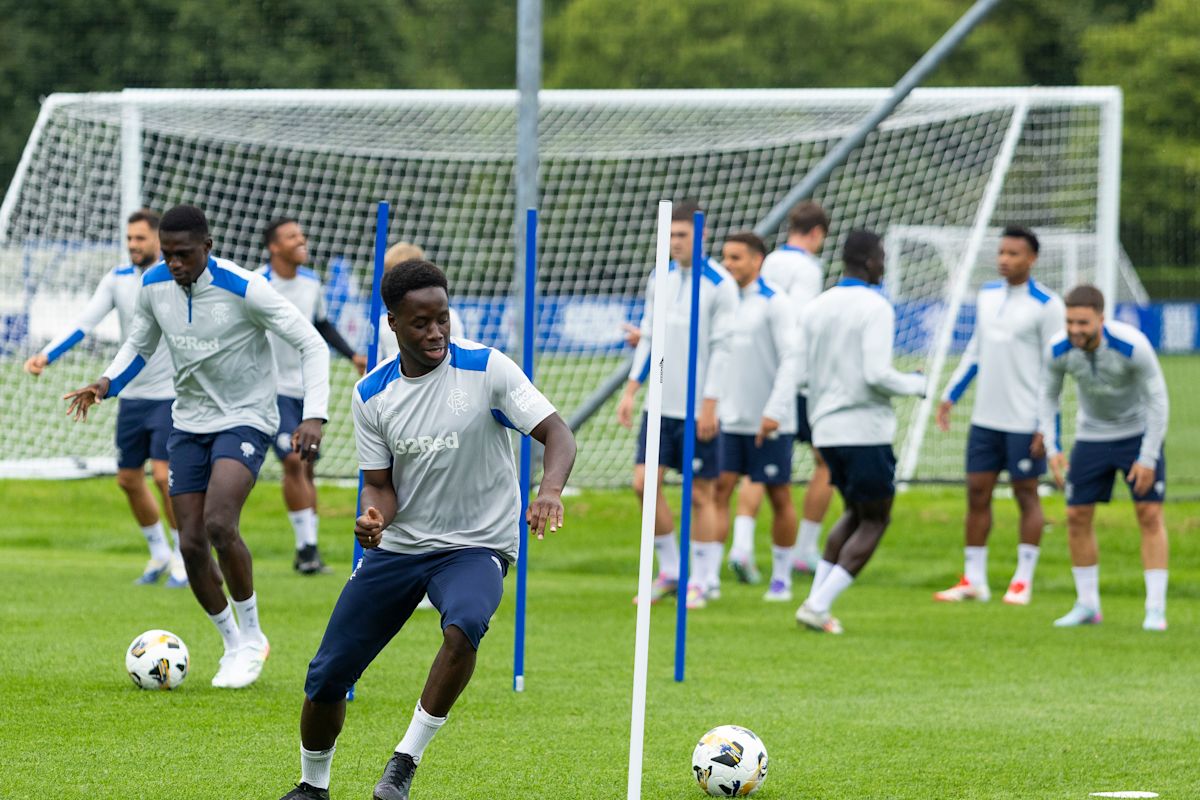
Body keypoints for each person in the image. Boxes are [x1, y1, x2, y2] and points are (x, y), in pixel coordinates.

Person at [278, 260, 576, 800]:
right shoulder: (372, 394)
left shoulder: (488, 369)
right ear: (392, 324)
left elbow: (558, 433)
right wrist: (374, 519)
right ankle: (312, 785)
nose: (436, 332)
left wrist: (549, 490)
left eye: (442, 318)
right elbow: (380, 485)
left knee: (464, 624)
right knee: (327, 674)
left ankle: (403, 764)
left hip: (476, 545)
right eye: (421, 323)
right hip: (400, 547)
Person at [65, 204, 330, 688]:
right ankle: (232, 643)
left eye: (184, 254)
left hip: (247, 417)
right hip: (187, 422)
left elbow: (311, 343)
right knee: (189, 543)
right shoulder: (153, 286)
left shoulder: (244, 286)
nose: (174, 264)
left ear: (207, 247)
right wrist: (105, 383)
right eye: (167, 255)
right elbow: (140, 345)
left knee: (218, 522)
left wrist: (314, 414)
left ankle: (253, 638)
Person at [25, 209, 188, 587]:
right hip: (130, 397)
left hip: (170, 396)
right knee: (129, 479)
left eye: (140, 238)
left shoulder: (174, 278)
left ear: (158, 241)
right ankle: (159, 553)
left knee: (164, 477)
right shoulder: (116, 280)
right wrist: (46, 356)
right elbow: (84, 323)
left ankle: (183, 557)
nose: (133, 245)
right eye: (129, 239)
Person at [793, 231, 926, 634]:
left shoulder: (816, 307)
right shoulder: (874, 306)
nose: (884, 264)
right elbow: (876, 375)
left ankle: (815, 603)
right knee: (876, 520)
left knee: (854, 513)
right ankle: (818, 605)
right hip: (864, 430)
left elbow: (800, 374)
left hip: (826, 429)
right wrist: (916, 384)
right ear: (868, 261)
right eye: (882, 257)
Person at [933, 226, 1065, 606]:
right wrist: (950, 395)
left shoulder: (1047, 305)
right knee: (977, 493)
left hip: (1025, 421)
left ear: (1032, 259)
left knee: (1026, 495)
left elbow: (1053, 372)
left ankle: (1022, 581)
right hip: (985, 420)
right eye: (1001, 252)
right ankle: (973, 579)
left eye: (1014, 253)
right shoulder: (988, 296)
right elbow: (976, 350)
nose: (1005, 259)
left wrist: (1047, 429)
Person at [616, 200, 737, 610]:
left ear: (700, 235)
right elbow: (651, 337)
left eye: (682, 235)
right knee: (643, 485)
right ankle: (670, 571)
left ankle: (702, 580)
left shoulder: (721, 284)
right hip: (659, 405)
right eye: (670, 235)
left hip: (699, 408)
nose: (675, 243)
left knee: (701, 494)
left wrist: (710, 404)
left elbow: (723, 350)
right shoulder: (660, 277)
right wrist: (632, 388)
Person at [1035, 284, 1169, 631]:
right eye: (1070, 322)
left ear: (1101, 319)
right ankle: (1087, 606)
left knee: (1149, 513)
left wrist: (1148, 457)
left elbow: (1158, 402)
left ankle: (1155, 609)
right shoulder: (1058, 349)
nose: (1076, 330)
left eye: (1083, 323)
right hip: (1091, 437)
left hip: (1136, 435)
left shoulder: (1132, 346)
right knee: (1077, 515)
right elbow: (1048, 398)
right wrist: (1053, 449)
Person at [257, 218, 366, 575]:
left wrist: (352, 355)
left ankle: (309, 550)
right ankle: (307, 549)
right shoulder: (258, 284)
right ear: (274, 247)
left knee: (305, 464)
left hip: (308, 391)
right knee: (291, 459)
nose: (301, 240)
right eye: (292, 236)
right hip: (270, 391)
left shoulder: (311, 283)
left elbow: (321, 325)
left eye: (302, 235)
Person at [712, 232, 800, 602]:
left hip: (770, 421)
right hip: (728, 419)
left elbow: (792, 358)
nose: (729, 265)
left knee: (779, 496)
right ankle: (708, 578)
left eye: (736, 258)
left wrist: (774, 411)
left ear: (757, 261)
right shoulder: (722, 302)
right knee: (719, 491)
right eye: (726, 258)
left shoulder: (775, 303)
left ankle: (782, 577)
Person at [761, 200, 834, 573]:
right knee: (827, 461)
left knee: (755, 467)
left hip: (763, 375)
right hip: (799, 381)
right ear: (817, 233)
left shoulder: (769, 260)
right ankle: (805, 549)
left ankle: (741, 547)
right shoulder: (807, 268)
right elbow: (801, 321)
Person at [379, 242, 465, 361]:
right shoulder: (382, 324)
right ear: (392, 322)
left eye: (442, 321)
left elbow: (460, 355)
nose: (435, 334)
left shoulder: (451, 318)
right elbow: (375, 367)